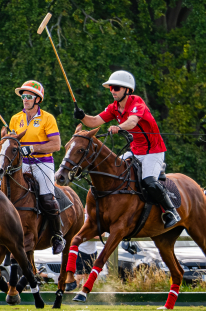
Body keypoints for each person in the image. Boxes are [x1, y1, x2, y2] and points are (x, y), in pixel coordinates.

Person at [73, 71, 180, 229]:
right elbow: (94, 121)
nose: (113, 91)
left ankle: (171, 211)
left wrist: (119, 127)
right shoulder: (114, 108)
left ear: (128, 90)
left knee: (148, 181)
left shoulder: (138, 104)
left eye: (116, 88)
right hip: (136, 151)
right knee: (114, 173)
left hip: (153, 152)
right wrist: (82, 116)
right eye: (111, 88)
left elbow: (132, 121)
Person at [0, 80, 65, 254]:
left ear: (37, 100)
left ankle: (57, 235)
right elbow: (11, 141)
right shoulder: (15, 118)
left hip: (42, 163)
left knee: (47, 199)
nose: (25, 99)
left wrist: (32, 148)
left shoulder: (47, 118)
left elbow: (56, 145)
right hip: (21, 164)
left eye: (28, 97)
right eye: (23, 96)